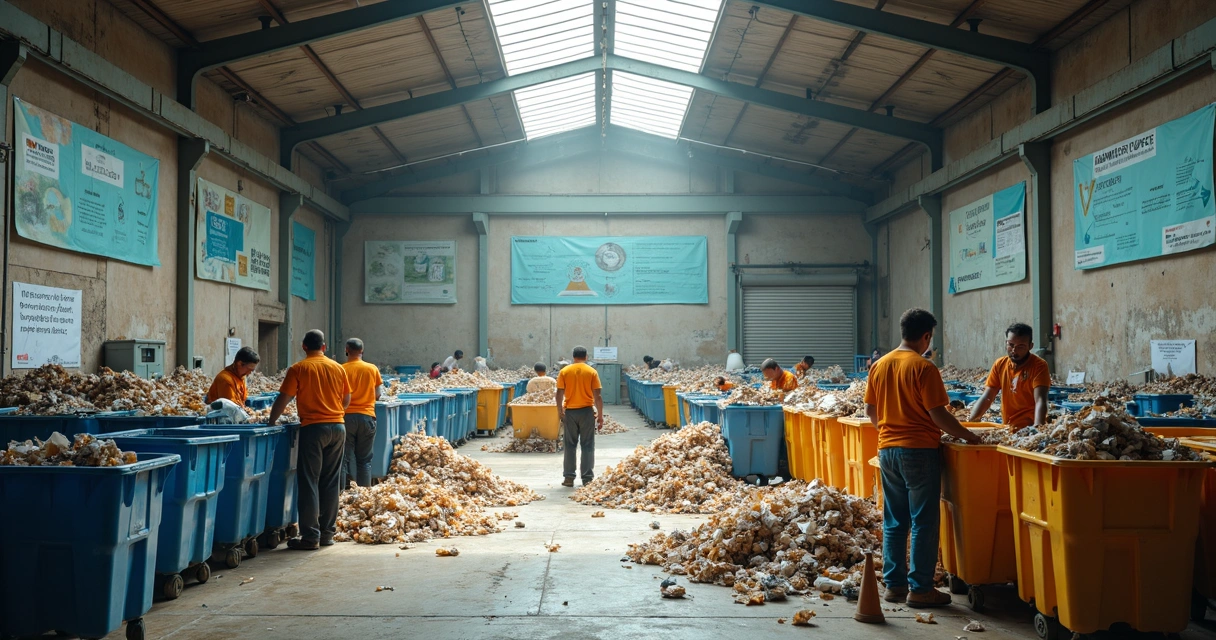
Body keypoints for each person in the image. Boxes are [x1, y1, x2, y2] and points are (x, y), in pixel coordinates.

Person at [864, 309, 979, 607]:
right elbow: (938, 414)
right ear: (926, 336)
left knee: (894, 520)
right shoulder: (924, 368)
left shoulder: (880, 365)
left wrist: (891, 432)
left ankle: (894, 586)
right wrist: (970, 436)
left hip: (887, 450)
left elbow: (870, 413)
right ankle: (921, 589)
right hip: (918, 452)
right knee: (924, 521)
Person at [269, 330, 352, 551]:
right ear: (324, 347)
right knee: (331, 481)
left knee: (309, 481)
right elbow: (346, 399)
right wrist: (335, 414)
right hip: (338, 427)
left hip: (313, 429)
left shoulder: (299, 369)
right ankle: (327, 534)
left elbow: (284, 398)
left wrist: (271, 421)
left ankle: (310, 537)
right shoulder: (338, 368)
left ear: (304, 347)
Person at [967, 323, 1051, 428]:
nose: (1014, 351)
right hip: (1007, 425)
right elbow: (988, 396)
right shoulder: (1000, 364)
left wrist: (1038, 428)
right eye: (1011, 345)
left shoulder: (1039, 365)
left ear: (1030, 346)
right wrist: (971, 422)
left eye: (1021, 346)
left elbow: (1040, 400)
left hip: (1029, 426)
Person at [556, 346, 603, 487]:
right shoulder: (592, 372)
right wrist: (600, 415)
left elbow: (558, 393)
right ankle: (587, 478)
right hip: (587, 412)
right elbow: (598, 396)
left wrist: (560, 411)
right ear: (586, 356)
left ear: (573, 356)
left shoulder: (564, 371)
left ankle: (569, 478)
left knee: (569, 445)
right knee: (587, 445)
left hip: (570, 412)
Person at [342, 338, 382, 488]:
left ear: (347, 349)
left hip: (346, 418)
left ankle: (343, 494)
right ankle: (364, 495)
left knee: (343, 459)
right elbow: (378, 394)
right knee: (364, 461)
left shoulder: (341, 369)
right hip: (367, 417)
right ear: (362, 351)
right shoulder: (372, 369)